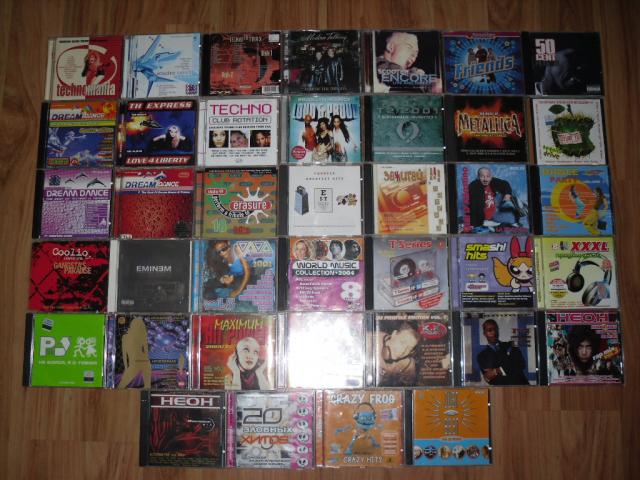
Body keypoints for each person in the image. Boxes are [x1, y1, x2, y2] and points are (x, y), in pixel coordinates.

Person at [468, 167, 523, 232]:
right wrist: (474, 224)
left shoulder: (492, 181)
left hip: (494, 210)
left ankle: (519, 208)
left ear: (491, 177)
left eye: (488, 176)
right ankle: (492, 224)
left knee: (508, 194)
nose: (485, 179)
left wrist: (507, 194)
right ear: (478, 177)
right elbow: (473, 206)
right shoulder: (473, 186)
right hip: (484, 217)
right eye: (482, 176)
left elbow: (505, 183)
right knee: (510, 220)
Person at [476, 319, 529, 385]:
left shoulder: (510, 345)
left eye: (495, 329)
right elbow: (488, 378)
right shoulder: (482, 356)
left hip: (521, 387)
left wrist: (497, 370)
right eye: (489, 330)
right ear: (484, 333)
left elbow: (522, 364)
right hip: (501, 389)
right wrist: (509, 362)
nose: (493, 332)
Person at [378, 322, 421, 386]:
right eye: (402, 342)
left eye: (409, 348)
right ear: (394, 334)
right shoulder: (370, 342)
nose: (403, 350)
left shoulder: (408, 365)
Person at [117, 317, 151, 389]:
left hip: (136, 363)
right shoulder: (143, 336)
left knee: (120, 387)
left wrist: (126, 368)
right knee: (147, 387)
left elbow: (124, 354)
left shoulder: (126, 337)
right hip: (144, 362)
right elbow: (146, 352)